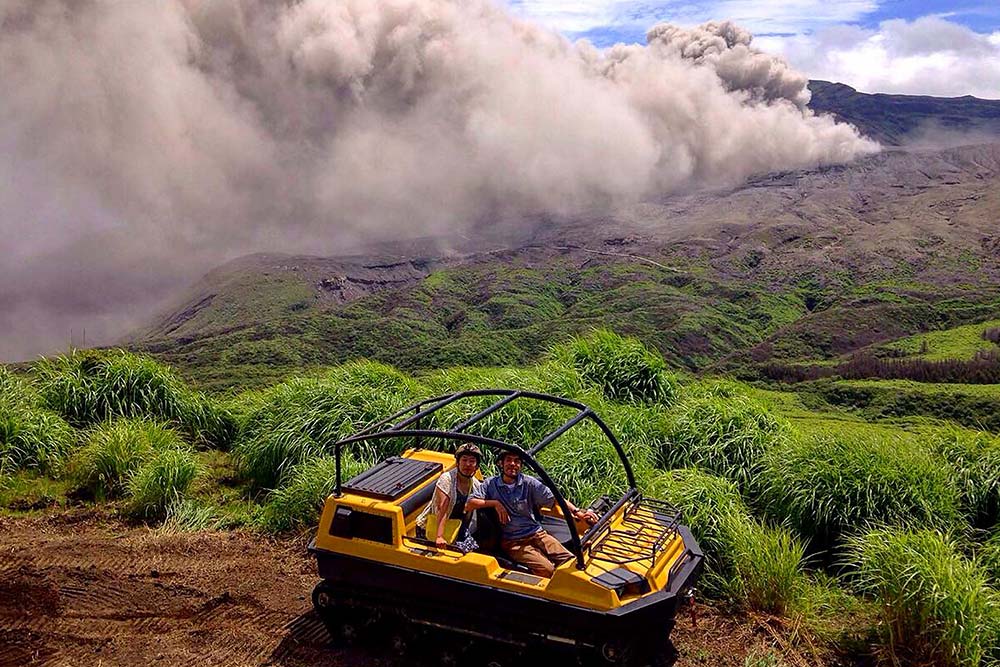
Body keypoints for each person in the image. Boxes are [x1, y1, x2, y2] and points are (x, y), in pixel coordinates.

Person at [466, 450, 598, 577]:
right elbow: (470, 504)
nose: (512, 464)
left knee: (570, 561)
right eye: (509, 460)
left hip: (537, 533)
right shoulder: (490, 484)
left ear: (521, 465)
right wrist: (495, 503)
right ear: (501, 463)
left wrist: (577, 512)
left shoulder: (528, 482)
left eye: (517, 461)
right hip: (513, 541)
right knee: (547, 570)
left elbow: (555, 499)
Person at [416, 443, 484, 550]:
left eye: (472, 461)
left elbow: (485, 497)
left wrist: (496, 504)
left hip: (456, 526)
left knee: (477, 548)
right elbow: (441, 509)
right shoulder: (447, 479)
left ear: (477, 466)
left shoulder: (474, 483)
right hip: (436, 527)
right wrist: (439, 536)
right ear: (458, 462)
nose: (467, 464)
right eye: (464, 460)